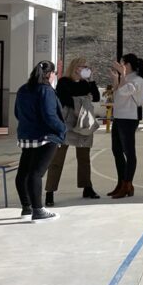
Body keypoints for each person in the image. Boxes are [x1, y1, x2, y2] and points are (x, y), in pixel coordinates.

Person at [45, 57, 102, 206]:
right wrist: (83, 100)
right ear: (75, 67)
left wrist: (91, 81)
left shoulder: (85, 83)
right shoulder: (64, 82)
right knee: (57, 158)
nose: (86, 69)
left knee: (84, 158)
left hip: (83, 123)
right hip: (67, 122)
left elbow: (96, 97)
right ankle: (50, 192)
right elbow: (64, 99)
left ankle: (87, 187)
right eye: (83, 66)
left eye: (87, 67)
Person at [14, 61, 66, 222]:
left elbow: (17, 113)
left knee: (23, 173)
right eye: (54, 73)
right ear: (49, 74)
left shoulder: (23, 89)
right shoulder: (46, 91)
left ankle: (26, 208)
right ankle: (38, 210)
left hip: (26, 136)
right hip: (45, 137)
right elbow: (50, 115)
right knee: (36, 173)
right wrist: (62, 129)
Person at [108, 53, 143, 199]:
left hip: (129, 118)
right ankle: (121, 183)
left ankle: (128, 184)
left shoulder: (138, 80)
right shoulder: (127, 78)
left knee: (129, 151)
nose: (120, 66)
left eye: (122, 63)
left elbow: (124, 91)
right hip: (119, 117)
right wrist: (115, 79)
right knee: (116, 150)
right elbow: (116, 94)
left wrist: (122, 76)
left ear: (129, 65)